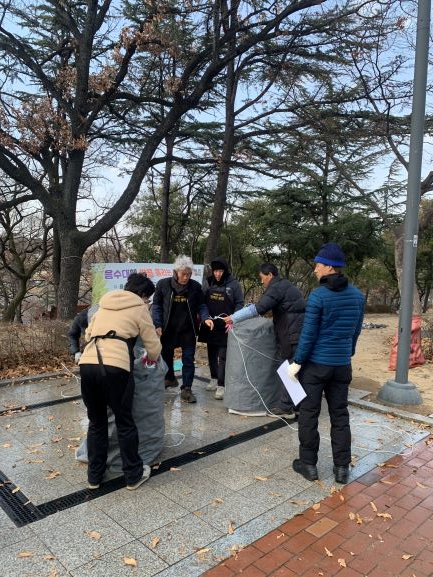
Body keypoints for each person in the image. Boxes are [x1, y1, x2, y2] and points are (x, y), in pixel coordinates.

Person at [290, 243, 365, 485]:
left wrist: (297, 362)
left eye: (318, 265)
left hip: (316, 366)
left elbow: (308, 335)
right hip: (342, 365)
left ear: (330, 267)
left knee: (309, 414)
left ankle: (308, 465)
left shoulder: (318, 296)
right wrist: (347, 353)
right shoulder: (357, 296)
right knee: (340, 415)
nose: (315, 269)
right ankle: (342, 468)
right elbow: (355, 331)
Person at [79, 273, 161, 491]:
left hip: (88, 364)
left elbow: (88, 334)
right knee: (124, 422)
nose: (148, 302)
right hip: (116, 368)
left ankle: (94, 477)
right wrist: (152, 358)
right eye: (148, 298)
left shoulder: (103, 305)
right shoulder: (139, 307)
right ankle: (133, 475)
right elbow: (152, 345)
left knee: (96, 422)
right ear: (142, 294)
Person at [224, 263, 305, 419]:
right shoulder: (285, 285)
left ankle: (286, 408)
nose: (262, 281)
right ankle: (297, 406)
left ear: (270, 275)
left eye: (262, 278)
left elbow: (259, 308)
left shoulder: (276, 288)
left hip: (291, 333)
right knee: (292, 367)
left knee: (289, 368)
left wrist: (234, 318)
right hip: (296, 331)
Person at [152, 255, 214, 404]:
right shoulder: (163, 285)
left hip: (188, 329)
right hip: (168, 329)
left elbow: (201, 305)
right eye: (183, 274)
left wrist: (206, 318)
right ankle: (170, 378)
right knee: (166, 356)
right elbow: (157, 306)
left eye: (189, 274)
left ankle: (186, 388)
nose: (186, 277)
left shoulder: (195, 287)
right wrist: (157, 324)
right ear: (176, 272)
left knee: (188, 359)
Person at [200, 257, 244, 400]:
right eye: (215, 271)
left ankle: (221, 385)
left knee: (223, 356)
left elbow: (240, 303)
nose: (217, 274)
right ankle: (213, 378)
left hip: (226, 325)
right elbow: (202, 303)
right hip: (210, 324)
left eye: (220, 271)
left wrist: (234, 318)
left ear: (225, 271)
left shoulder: (234, 284)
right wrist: (205, 317)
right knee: (211, 353)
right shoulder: (208, 282)